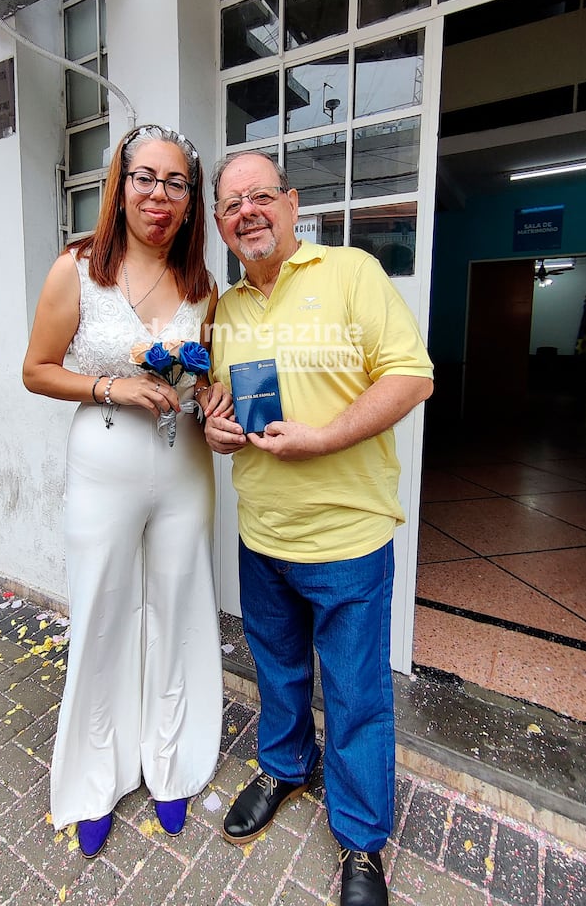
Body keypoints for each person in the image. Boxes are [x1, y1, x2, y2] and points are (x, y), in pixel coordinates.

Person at [204, 151, 434, 906]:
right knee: (276, 670)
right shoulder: (226, 307)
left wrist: (325, 437)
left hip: (347, 537)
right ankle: (282, 764)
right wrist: (214, 431)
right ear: (219, 223)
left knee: (356, 692)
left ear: (292, 203)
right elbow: (218, 403)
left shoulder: (351, 272)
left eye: (260, 196)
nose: (248, 212)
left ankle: (362, 842)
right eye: (232, 203)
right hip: (262, 531)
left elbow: (410, 374)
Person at [22, 124, 228, 858]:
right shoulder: (76, 269)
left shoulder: (203, 287)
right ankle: (93, 779)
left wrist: (217, 403)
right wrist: (113, 382)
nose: (159, 196)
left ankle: (171, 762)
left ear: (189, 198)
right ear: (120, 182)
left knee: (177, 608)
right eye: (145, 177)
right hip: (103, 464)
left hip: (184, 468)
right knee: (104, 612)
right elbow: (37, 369)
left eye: (176, 183)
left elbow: (211, 384)